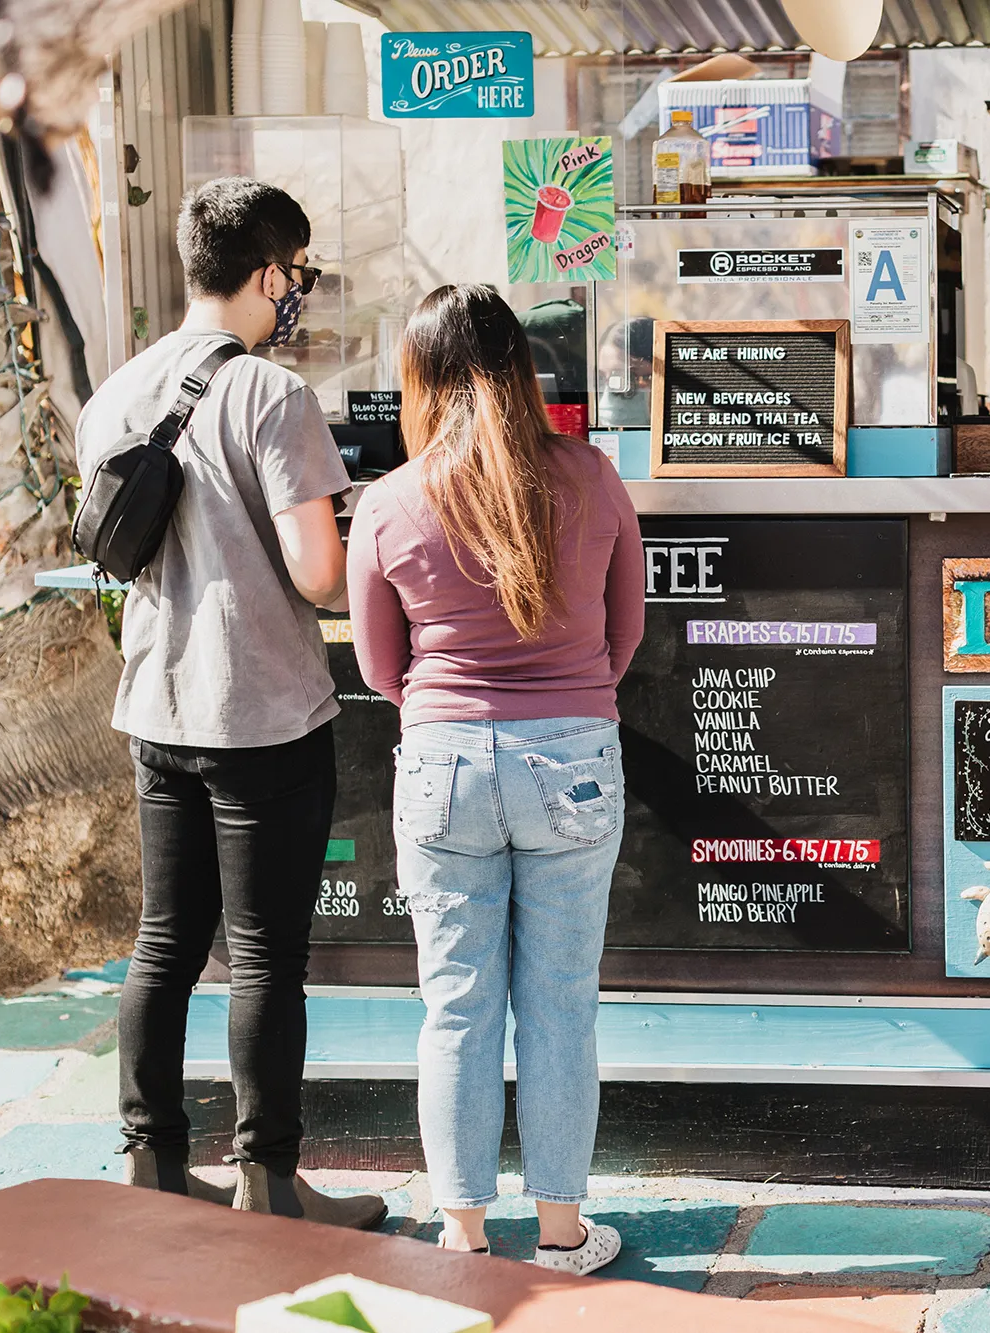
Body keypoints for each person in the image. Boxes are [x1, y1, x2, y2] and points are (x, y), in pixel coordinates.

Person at [78, 177, 384, 1227]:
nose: (297, 292)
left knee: (165, 939)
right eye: (295, 274)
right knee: (263, 954)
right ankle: (269, 1179)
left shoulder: (117, 389)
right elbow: (316, 575)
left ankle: (152, 1161)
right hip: (259, 711)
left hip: (156, 707)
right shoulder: (270, 395)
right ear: (267, 273)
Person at [346, 284, 645, 1273]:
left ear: (418, 381)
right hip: (572, 758)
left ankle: (462, 1231)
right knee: (560, 996)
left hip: (442, 763)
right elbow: (624, 632)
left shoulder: (388, 503)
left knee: (457, 1001)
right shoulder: (592, 475)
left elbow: (379, 671)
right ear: (523, 371)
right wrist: (560, 697)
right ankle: (563, 1232)